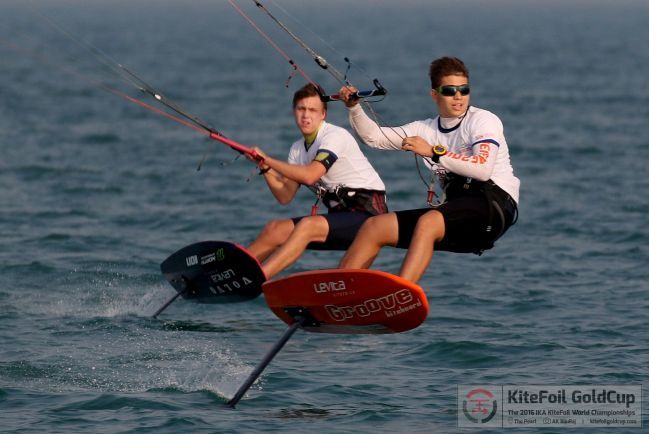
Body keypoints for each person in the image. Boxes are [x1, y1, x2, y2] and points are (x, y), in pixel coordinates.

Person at [337, 56, 519, 283]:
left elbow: (482, 170)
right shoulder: (424, 129)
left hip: (493, 205)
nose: (458, 96)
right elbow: (374, 137)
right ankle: (339, 291)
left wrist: (433, 152)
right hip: (456, 210)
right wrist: (354, 108)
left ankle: (401, 292)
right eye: (450, 91)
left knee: (428, 221)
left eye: (464, 90)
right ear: (434, 94)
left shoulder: (483, 120)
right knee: (374, 227)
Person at [246, 83, 387, 279]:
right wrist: (264, 165)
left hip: (369, 216)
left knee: (307, 225)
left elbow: (310, 175)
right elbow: (285, 195)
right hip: (341, 217)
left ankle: (256, 280)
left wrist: (268, 159)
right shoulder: (297, 149)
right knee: (275, 230)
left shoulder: (334, 136)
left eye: (312, 110)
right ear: (294, 112)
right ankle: (234, 274)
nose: (306, 115)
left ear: (323, 114)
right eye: (301, 109)